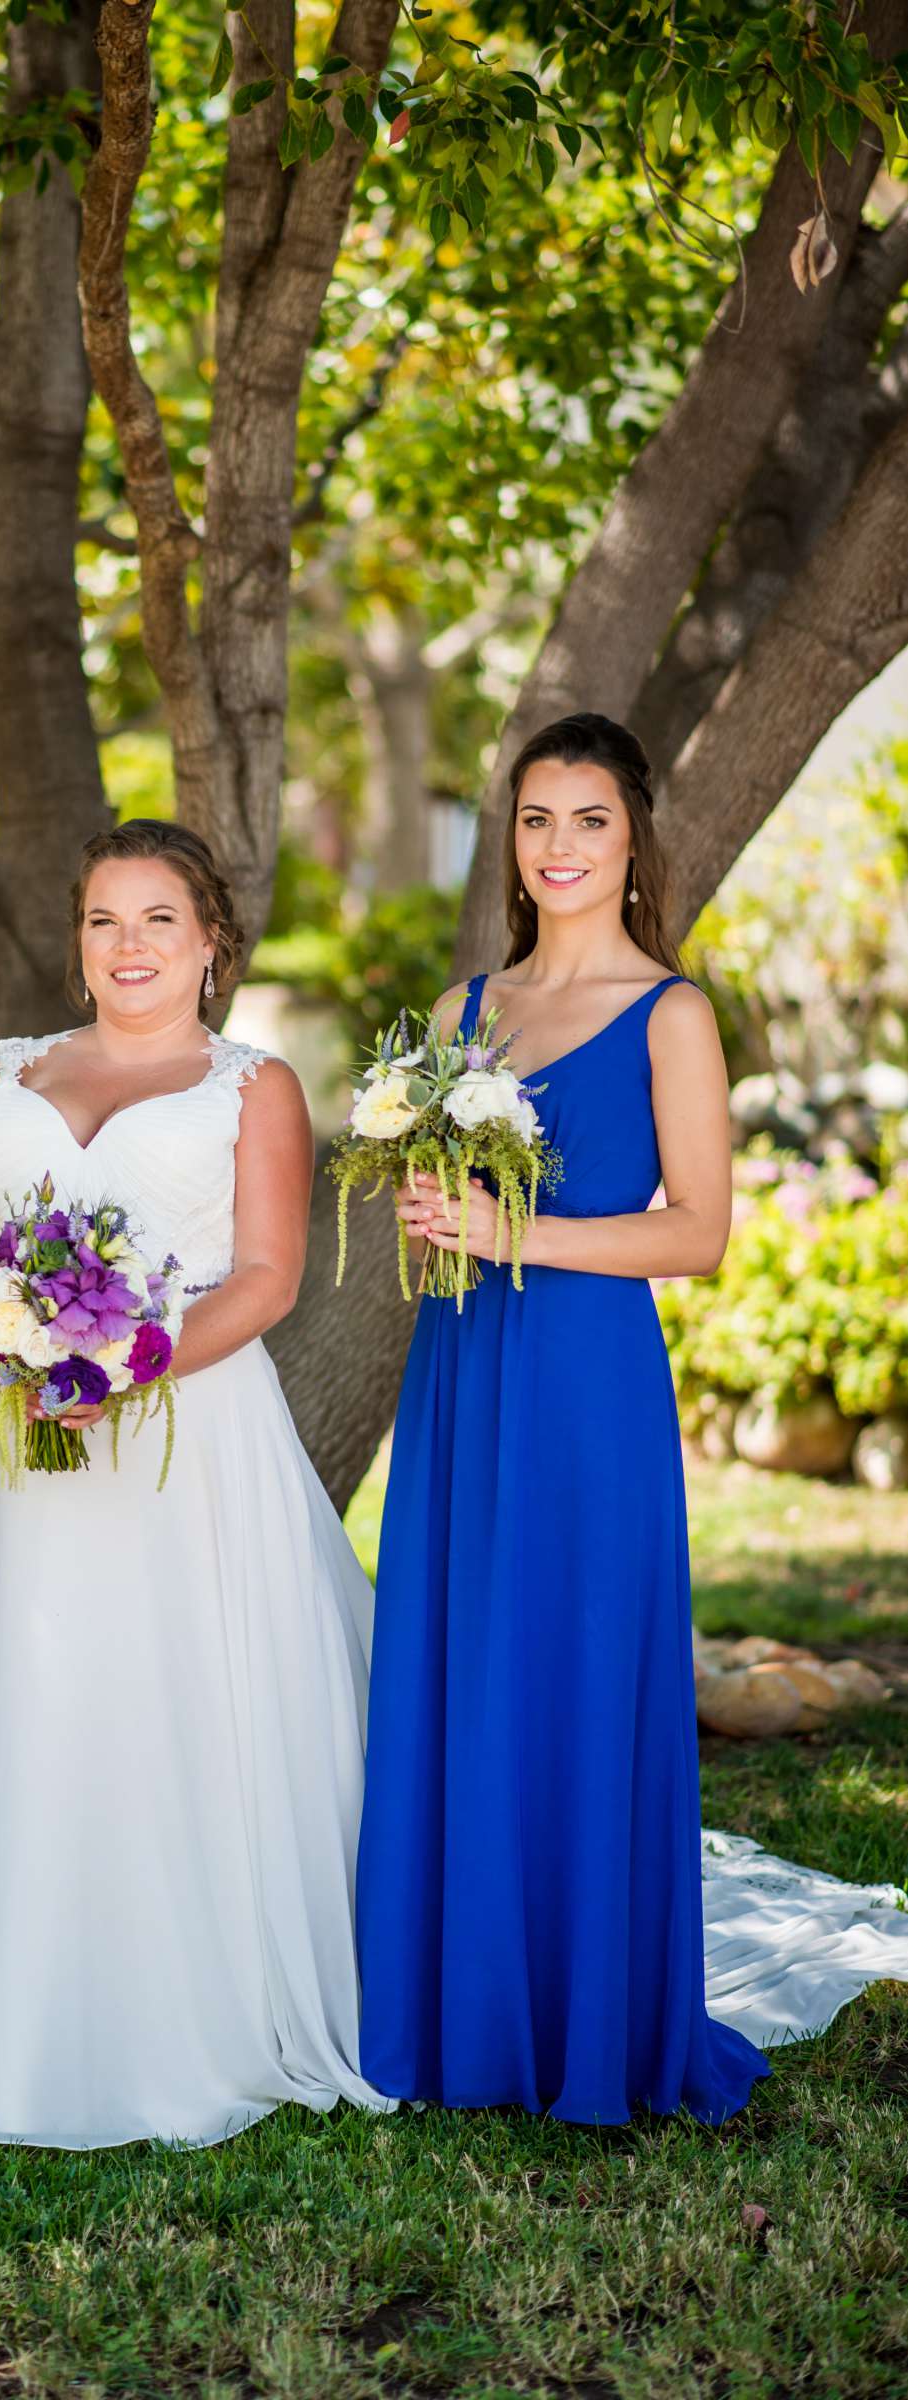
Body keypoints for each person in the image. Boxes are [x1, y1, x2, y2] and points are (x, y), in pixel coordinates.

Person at [355, 710, 908, 2124]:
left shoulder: (671, 1014)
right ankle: (457, 2006)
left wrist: (507, 1234)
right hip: (465, 1376)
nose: (557, 849)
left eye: (587, 821)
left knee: (577, 1670)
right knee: (467, 1662)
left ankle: (586, 2017)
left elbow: (698, 1234)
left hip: (584, 1385)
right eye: (535, 822)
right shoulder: (460, 1015)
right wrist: (431, 1213)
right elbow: (439, 1210)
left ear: (633, 840)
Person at [0, 819, 388, 2147]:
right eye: (105, 919)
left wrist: (119, 1367)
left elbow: (265, 1279)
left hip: (183, 1444)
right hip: (18, 1442)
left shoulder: (249, 1085)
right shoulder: (2, 1072)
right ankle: (0, 2016)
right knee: (35, 1695)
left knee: (170, 1699)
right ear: (77, 939)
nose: (130, 944)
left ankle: (189, 2014)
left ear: (211, 944)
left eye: (160, 919)